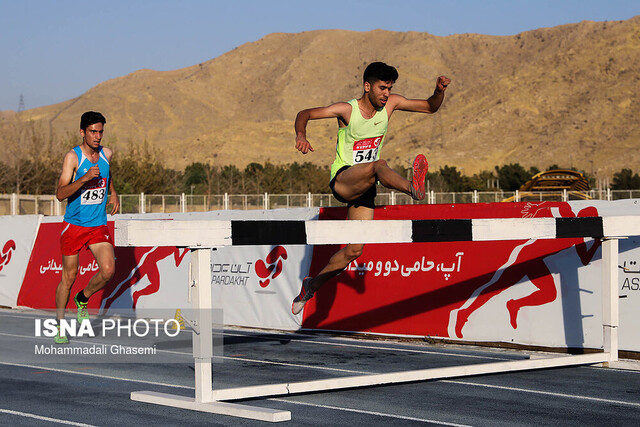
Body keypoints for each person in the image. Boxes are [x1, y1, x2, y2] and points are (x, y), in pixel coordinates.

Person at [292, 62, 450, 315]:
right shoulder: (346, 110)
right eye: (382, 88)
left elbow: (430, 107)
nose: (386, 94)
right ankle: (413, 189)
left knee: (354, 250)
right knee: (378, 165)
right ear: (367, 86)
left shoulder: (391, 105)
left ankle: (311, 285)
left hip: (365, 187)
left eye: (389, 88)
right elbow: (305, 113)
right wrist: (301, 135)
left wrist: (439, 90)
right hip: (344, 180)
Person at [54, 111, 119, 344]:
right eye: (93, 131)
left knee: (109, 270)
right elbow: (60, 194)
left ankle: (83, 298)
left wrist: (113, 193)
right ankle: (60, 326)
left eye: (100, 131)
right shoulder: (73, 157)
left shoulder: (107, 154)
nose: (97, 136)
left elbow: (107, 174)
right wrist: (82, 179)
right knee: (69, 277)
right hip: (74, 225)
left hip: (97, 224)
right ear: (82, 132)